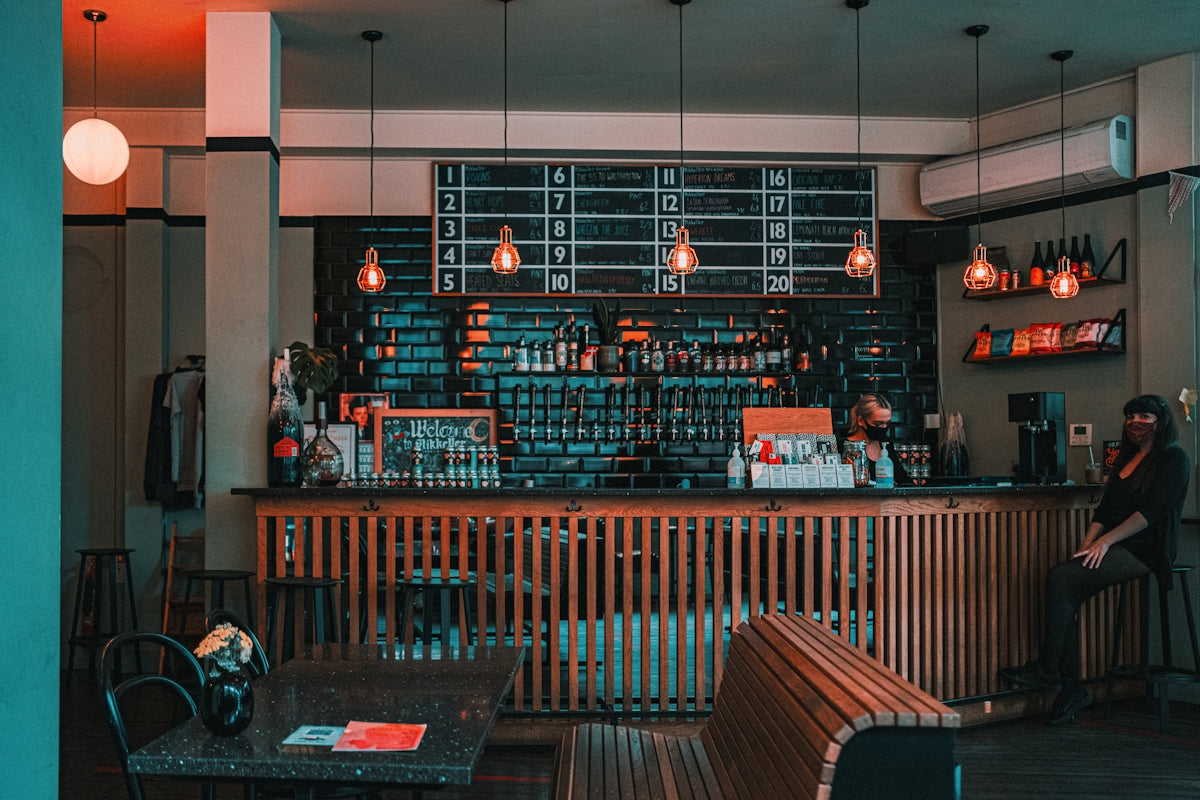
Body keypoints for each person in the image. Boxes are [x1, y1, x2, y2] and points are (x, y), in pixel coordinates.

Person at [998, 394, 1190, 725]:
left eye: (1144, 415)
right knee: (1066, 588)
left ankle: (1048, 670)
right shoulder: (1126, 458)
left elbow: (1152, 513)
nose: (1135, 422)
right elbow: (1105, 510)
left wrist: (1104, 541)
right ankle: (1070, 689)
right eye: (1130, 415)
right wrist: (1088, 543)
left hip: (1148, 548)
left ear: (1161, 421)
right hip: (1113, 544)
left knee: (1063, 579)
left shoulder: (1174, 458)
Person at [844, 392, 912, 485]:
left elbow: (904, 480)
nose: (884, 427)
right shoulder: (845, 447)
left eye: (887, 423)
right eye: (878, 424)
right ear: (860, 420)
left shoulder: (886, 443)